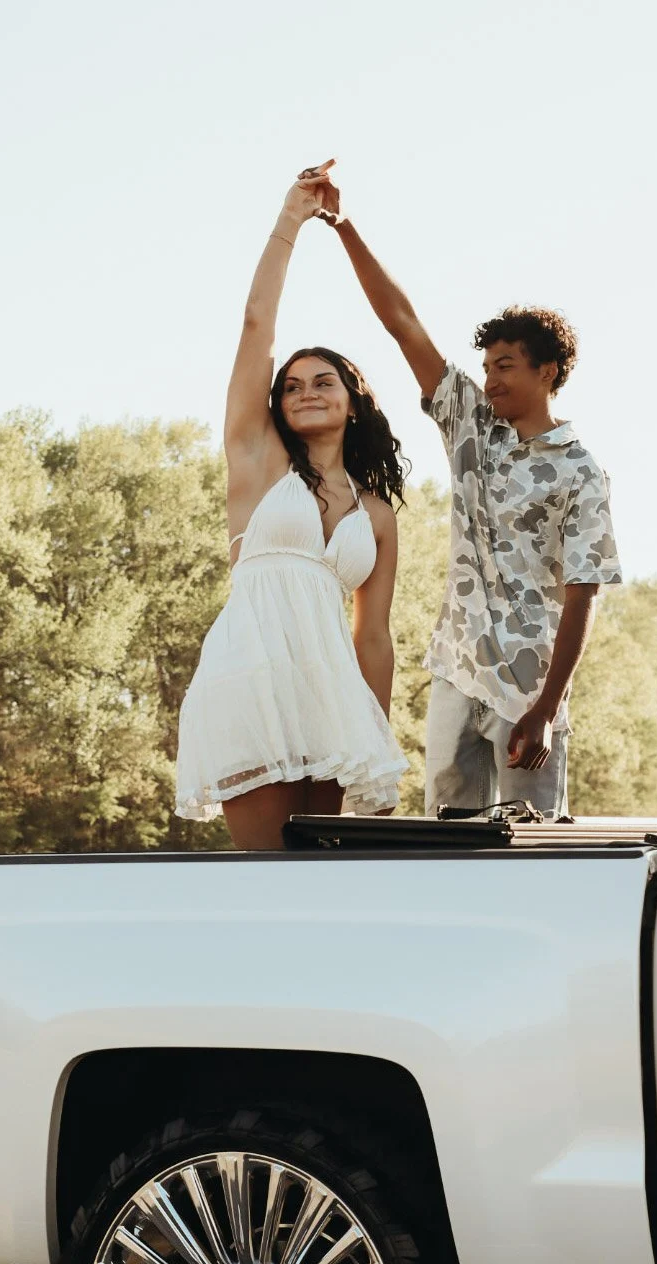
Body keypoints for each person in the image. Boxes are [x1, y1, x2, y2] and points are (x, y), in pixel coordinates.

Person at [309, 169, 622, 819]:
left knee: (530, 848)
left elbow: (583, 592)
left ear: (547, 371)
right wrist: (344, 227)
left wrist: (546, 707)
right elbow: (402, 324)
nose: (491, 379)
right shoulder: (472, 429)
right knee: (446, 839)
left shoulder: (581, 471)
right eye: (486, 368)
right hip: (456, 671)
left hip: (530, 690)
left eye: (504, 366)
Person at [174, 164, 409, 849]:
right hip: (251, 679)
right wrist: (292, 221)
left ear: (352, 398)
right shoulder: (259, 462)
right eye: (292, 385)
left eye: (323, 380)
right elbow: (256, 327)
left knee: (318, 879)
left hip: (330, 692)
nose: (305, 390)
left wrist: (377, 741)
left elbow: (374, 637)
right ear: (275, 404)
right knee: (265, 873)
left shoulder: (379, 515)